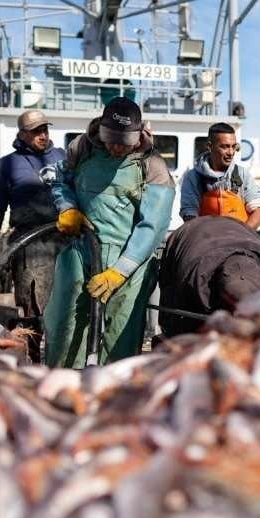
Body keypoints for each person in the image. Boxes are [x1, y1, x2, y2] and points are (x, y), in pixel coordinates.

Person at [43, 97, 174, 367]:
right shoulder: (82, 148)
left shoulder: (154, 167)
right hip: (80, 249)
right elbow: (61, 180)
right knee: (65, 322)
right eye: (110, 140)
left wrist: (120, 272)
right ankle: (63, 385)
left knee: (121, 335)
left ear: (137, 138)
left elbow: (152, 226)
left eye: (123, 143)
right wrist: (67, 208)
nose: (115, 148)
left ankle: (114, 391)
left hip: (129, 259)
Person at [0, 110, 66, 316]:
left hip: (67, 237)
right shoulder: (6, 166)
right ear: (21, 134)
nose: (43, 135)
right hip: (30, 243)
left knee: (70, 299)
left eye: (44, 129)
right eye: (36, 131)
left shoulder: (63, 156)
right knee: (34, 302)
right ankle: (35, 344)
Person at [158, 215, 260, 337]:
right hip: (189, 234)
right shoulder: (190, 278)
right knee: (178, 325)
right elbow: (179, 316)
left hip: (236, 228)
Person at [180, 123, 260, 230]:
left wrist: (241, 235)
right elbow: (189, 215)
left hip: (241, 238)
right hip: (206, 239)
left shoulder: (243, 174)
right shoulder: (193, 177)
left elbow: (258, 214)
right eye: (225, 147)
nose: (231, 152)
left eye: (234, 147)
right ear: (210, 146)